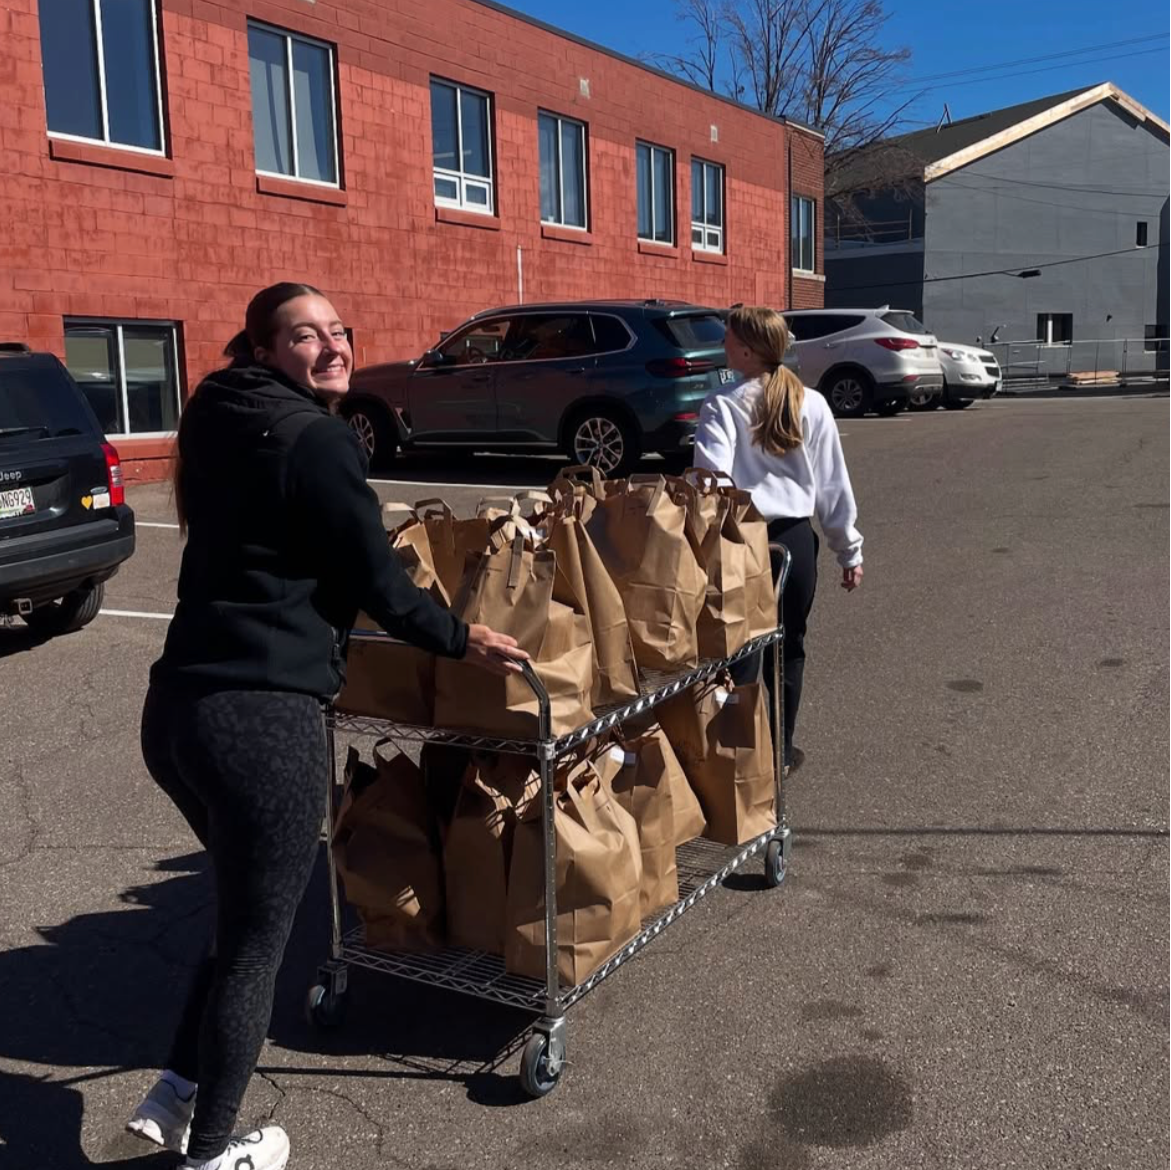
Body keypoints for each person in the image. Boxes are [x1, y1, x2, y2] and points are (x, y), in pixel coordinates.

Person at [128, 282, 527, 1170]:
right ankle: (213, 1154)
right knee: (255, 946)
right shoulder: (317, 441)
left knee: (239, 918)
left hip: (177, 714)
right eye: (304, 335)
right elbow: (381, 585)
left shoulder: (222, 414)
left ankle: (174, 1095)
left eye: (338, 331)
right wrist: (465, 641)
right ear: (265, 349)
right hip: (260, 722)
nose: (332, 347)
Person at [695, 304, 863, 774]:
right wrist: (848, 550)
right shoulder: (813, 403)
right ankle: (781, 751)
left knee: (741, 650)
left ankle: (738, 761)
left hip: (742, 541)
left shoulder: (723, 405)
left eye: (728, 338)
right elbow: (833, 485)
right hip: (795, 541)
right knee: (790, 648)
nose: (723, 344)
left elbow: (710, 484)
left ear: (747, 350)